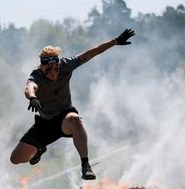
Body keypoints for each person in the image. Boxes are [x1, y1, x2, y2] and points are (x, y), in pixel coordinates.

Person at [10, 29, 135, 180]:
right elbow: (30, 87)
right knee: (15, 159)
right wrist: (32, 97)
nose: (53, 73)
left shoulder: (65, 65)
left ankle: (85, 165)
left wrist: (115, 41)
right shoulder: (36, 75)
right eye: (48, 70)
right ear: (41, 67)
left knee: (75, 119)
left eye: (55, 68)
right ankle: (38, 150)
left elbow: (91, 53)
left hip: (64, 118)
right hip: (44, 123)